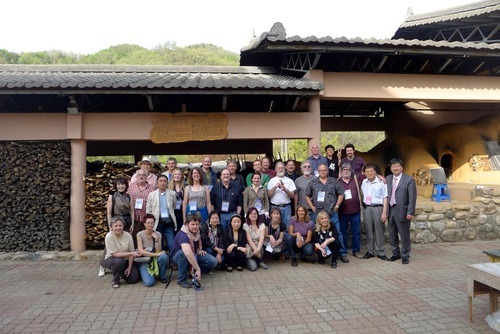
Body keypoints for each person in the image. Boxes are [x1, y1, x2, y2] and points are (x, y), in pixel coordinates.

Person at [305, 163, 348, 263]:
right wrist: (312, 207)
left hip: (332, 213)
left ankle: (342, 253)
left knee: (338, 234)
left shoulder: (333, 181)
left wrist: (337, 206)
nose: (322, 172)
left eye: (324, 170)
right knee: (318, 234)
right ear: (318, 171)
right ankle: (320, 253)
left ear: (327, 171)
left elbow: (341, 194)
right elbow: (307, 195)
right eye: (320, 170)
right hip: (318, 214)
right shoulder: (313, 182)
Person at [171, 214, 218, 288]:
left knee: (213, 261)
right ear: (187, 224)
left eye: (197, 224)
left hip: (194, 254)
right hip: (177, 258)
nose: (195, 226)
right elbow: (188, 253)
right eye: (192, 224)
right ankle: (182, 280)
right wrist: (198, 268)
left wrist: (199, 250)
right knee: (183, 253)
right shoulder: (182, 234)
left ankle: (192, 270)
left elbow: (195, 247)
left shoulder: (197, 232)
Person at [387, 158, 417, 265]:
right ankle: (396, 253)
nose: (395, 168)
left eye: (397, 166)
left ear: (402, 167)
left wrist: (410, 212)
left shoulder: (408, 180)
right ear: (390, 168)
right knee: (392, 233)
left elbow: (412, 198)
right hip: (390, 210)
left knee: (404, 234)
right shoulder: (388, 178)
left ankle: (405, 255)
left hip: (402, 211)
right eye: (393, 166)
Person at [101, 216, 140, 288]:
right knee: (119, 261)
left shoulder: (128, 236)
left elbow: (131, 251)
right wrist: (131, 253)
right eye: (116, 226)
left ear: (123, 226)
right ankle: (115, 280)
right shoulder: (109, 237)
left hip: (126, 260)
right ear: (111, 227)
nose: (118, 228)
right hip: (112, 259)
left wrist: (129, 267)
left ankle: (121, 272)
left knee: (133, 279)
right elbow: (114, 254)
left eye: (120, 225)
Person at [360, 164, 389, 261]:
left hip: (378, 208)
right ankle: (370, 251)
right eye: (367, 171)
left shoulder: (382, 182)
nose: (369, 173)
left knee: (379, 230)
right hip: (367, 208)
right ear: (364, 173)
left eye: (371, 170)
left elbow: (385, 198)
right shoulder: (364, 182)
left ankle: (380, 251)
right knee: (368, 230)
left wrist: (384, 213)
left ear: (376, 171)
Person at [338, 163, 364, 259]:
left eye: (348, 169)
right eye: (344, 170)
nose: (346, 171)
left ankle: (356, 250)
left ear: (351, 170)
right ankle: (343, 252)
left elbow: (370, 173)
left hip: (355, 211)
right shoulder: (337, 182)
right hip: (342, 213)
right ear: (341, 171)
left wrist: (381, 177)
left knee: (356, 232)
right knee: (342, 233)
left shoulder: (356, 179)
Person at [146, 174, 178, 253]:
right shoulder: (151, 195)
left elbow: (173, 206)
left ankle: (173, 261)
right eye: (160, 181)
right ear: (157, 183)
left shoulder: (172, 194)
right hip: (157, 221)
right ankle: (159, 260)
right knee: (158, 242)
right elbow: (148, 209)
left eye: (164, 181)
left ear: (167, 183)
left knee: (171, 242)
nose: (162, 183)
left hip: (168, 221)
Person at [136, 214, 169, 286]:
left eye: (152, 223)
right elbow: (141, 251)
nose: (150, 225)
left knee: (164, 257)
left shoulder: (158, 234)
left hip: (155, 258)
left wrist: (156, 239)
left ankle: (162, 276)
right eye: (148, 223)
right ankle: (147, 273)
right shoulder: (140, 235)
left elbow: (158, 250)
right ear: (144, 224)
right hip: (145, 259)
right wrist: (155, 254)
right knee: (149, 283)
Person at [267, 161, 296, 229]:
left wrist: (284, 189)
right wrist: (275, 187)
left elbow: (292, 195)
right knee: (274, 226)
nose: (280, 170)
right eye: (279, 168)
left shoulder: (289, 181)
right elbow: (269, 195)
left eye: (282, 168)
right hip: (274, 207)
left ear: (285, 169)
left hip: (286, 208)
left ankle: (285, 239)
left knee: (287, 227)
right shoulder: (272, 181)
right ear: (276, 169)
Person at [127, 169, 156, 234]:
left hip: (146, 218)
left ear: (146, 177)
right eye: (139, 175)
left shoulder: (152, 188)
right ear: (136, 176)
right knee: (133, 237)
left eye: (143, 175)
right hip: (133, 217)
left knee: (146, 237)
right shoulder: (130, 186)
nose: (141, 176)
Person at [168, 167, 186, 232]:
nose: (177, 176)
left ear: (181, 176)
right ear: (173, 176)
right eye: (175, 174)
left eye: (179, 174)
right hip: (172, 212)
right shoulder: (169, 187)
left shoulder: (185, 186)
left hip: (182, 212)